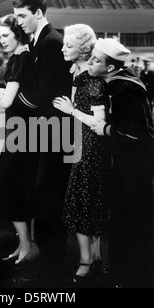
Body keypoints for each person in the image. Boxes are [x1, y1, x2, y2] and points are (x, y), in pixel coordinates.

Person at [88, 38, 154, 288]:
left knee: (135, 218)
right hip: (126, 158)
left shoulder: (125, 89)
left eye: (95, 59)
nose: (89, 61)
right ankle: (120, 272)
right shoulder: (117, 80)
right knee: (121, 216)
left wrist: (105, 129)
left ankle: (137, 278)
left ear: (110, 68)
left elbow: (137, 133)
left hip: (136, 160)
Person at [13, 0, 73, 278]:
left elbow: (46, 91)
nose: (19, 22)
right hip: (46, 126)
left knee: (52, 193)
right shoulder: (40, 41)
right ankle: (47, 255)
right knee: (43, 191)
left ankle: (53, 260)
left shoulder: (51, 42)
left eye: (23, 16)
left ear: (38, 12)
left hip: (56, 129)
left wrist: (15, 101)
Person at [53, 24, 111, 284]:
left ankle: (86, 262)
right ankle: (93, 259)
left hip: (88, 146)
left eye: (69, 45)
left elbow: (99, 122)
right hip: (81, 143)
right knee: (88, 201)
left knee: (83, 202)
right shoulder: (82, 74)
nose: (63, 48)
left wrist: (71, 110)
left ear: (83, 49)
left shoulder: (90, 77)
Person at [0, 14, 39, 266]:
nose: (1, 41)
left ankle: (27, 245)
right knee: (21, 188)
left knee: (12, 189)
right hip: (26, 131)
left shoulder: (19, 58)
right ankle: (25, 245)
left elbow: (5, 103)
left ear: (17, 34)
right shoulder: (26, 55)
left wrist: (1, 94)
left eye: (5, 35)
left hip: (20, 133)